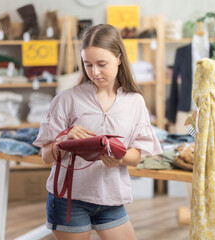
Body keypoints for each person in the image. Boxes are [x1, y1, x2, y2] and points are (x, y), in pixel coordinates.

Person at [33, 24, 162, 240]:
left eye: (102, 64)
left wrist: (118, 158)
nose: (95, 72)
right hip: (68, 200)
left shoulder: (135, 101)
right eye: (88, 64)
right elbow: (46, 157)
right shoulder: (67, 100)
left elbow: (135, 157)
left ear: (119, 58)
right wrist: (63, 141)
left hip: (111, 199)